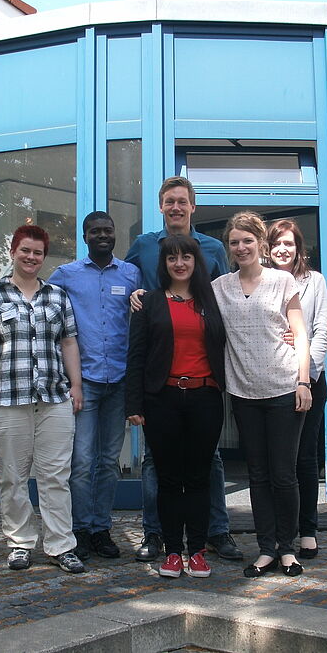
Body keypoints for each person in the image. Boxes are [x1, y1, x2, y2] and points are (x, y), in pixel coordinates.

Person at [125, 175, 242, 563]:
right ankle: (156, 534)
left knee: (209, 461)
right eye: (169, 201)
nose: (176, 207)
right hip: (161, 373)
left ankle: (216, 531)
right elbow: (125, 281)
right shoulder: (144, 245)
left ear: (193, 206)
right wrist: (133, 294)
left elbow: (229, 297)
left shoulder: (212, 248)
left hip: (202, 380)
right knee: (156, 462)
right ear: (161, 206)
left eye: (182, 201)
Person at [0, 224, 86, 574]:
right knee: (12, 477)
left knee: (56, 476)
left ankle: (61, 545)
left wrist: (76, 385)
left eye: (38, 253)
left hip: (53, 399)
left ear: (44, 257)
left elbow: (68, 343)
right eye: (25, 251)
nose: (31, 257)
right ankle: (20, 543)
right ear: (13, 252)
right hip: (6, 400)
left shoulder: (57, 296)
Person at [211, 211, 312, 578]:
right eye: (234, 242)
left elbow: (300, 334)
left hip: (285, 388)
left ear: (261, 244)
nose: (241, 247)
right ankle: (266, 548)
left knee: (283, 474)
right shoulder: (219, 287)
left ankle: (288, 549)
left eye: (247, 241)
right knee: (257, 475)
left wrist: (304, 382)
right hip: (243, 393)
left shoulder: (282, 281)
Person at [48, 211, 141, 561]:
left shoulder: (131, 274)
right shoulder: (66, 275)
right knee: (82, 460)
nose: (102, 235)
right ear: (84, 236)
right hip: (83, 382)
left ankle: (102, 529)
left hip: (119, 380)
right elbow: (36, 299)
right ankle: (80, 530)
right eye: (95, 231)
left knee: (108, 461)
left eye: (108, 230)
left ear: (115, 234)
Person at [267, 219, 327, 560]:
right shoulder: (260, 281)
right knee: (278, 462)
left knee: (305, 458)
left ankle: (308, 530)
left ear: (298, 248)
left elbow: (320, 331)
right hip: (271, 381)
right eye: (277, 243)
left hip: (310, 382)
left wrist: (305, 373)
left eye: (288, 243)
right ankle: (281, 531)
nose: (283, 249)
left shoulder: (314, 281)